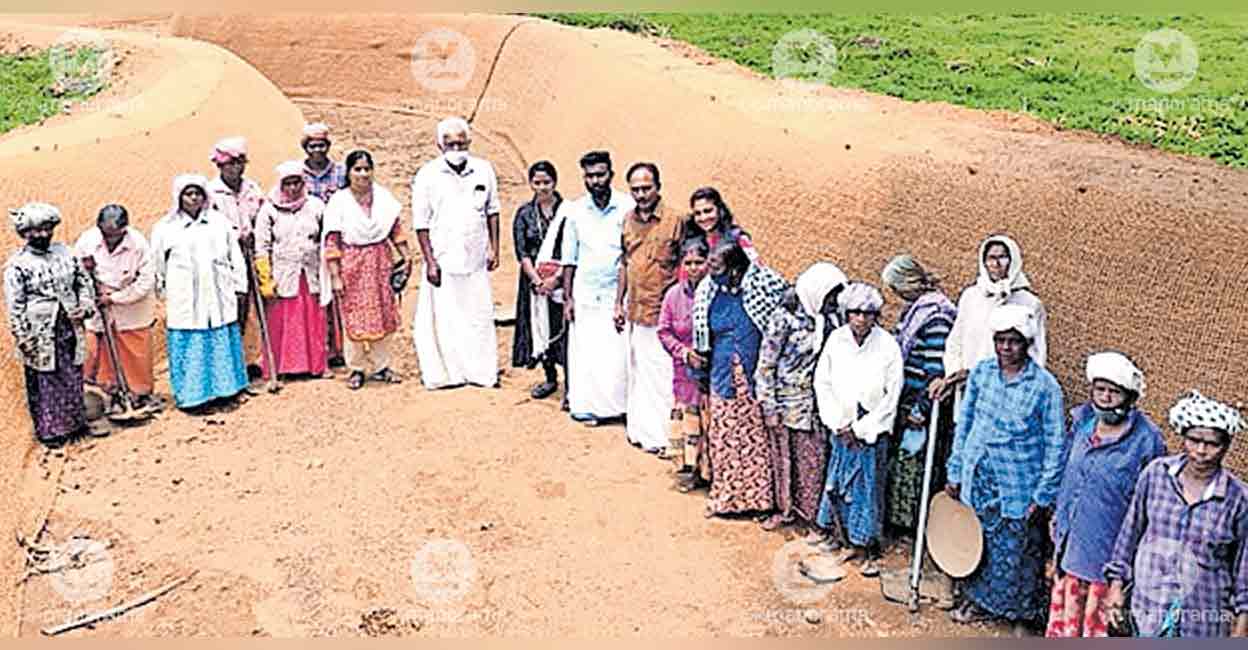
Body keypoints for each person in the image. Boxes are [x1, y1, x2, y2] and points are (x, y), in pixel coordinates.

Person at [945, 303, 1065, 634]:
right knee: (976, 541)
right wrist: (956, 470)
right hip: (978, 477)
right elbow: (965, 422)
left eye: (1013, 342)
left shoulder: (1045, 387)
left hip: (1017, 484)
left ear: (1026, 344)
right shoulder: (982, 373)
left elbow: (1056, 444)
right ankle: (978, 602)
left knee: (1018, 551)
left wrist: (1043, 495)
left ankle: (1020, 615)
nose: (1006, 349)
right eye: (1000, 341)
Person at [1105, 390, 1248, 638]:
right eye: (1194, 440)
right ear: (1183, 437)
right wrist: (1116, 586)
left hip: (1203, 618)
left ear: (1226, 446)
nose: (1201, 451)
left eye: (1212, 443)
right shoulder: (1156, 475)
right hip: (1148, 609)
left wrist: (1240, 629)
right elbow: (1130, 534)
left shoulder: (1238, 499)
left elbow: (1244, 571)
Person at [1046, 351, 1165, 638]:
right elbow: (1065, 471)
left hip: (1109, 550)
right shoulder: (1083, 422)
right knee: (1067, 616)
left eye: (1115, 392)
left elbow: (1151, 501)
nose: (1106, 398)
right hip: (1071, 541)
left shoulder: (1146, 440)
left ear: (1130, 398)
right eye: (1100, 389)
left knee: (1097, 624)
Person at [690, 239, 788, 518]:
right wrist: (700, 373)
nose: (712, 272)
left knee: (755, 440)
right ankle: (727, 500)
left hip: (753, 378)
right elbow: (702, 340)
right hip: (722, 376)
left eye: (717, 267)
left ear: (734, 270)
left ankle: (758, 502)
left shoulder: (759, 292)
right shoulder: (710, 293)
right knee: (725, 438)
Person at [812, 282, 903, 577]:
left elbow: (892, 395)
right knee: (838, 485)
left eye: (867, 313)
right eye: (855, 313)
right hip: (840, 427)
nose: (861, 319)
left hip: (870, 431)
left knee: (868, 489)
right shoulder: (836, 340)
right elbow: (822, 382)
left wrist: (863, 428)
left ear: (876, 315)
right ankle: (843, 540)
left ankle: (868, 549)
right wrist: (838, 422)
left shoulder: (888, 345)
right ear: (847, 313)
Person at [755, 262, 848, 532]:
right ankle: (786, 512)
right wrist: (768, 405)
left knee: (814, 462)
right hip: (787, 403)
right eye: (829, 298)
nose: (833, 303)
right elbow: (766, 364)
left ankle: (813, 518)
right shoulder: (784, 318)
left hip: (818, 404)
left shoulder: (831, 319)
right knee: (785, 462)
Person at [412, 116, 501, 390]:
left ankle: (480, 372)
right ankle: (448, 374)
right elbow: (421, 223)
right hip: (443, 259)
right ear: (439, 145)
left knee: (478, 317)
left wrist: (494, 248)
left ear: (469, 143)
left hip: (475, 258)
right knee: (446, 319)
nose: (456, 148)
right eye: (450, 143)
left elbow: (492, 210)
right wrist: (430, 261)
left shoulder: (483, 170)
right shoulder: (427, 175)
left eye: (461, 143)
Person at [150, 175, 250, 411]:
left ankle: (226, 392)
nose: (193, 198)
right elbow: (158, 265)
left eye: (198, 193)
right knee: (192, 345)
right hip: (185, 298)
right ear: (179, 198)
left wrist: (239, 286)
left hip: (218, 293)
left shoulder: (219, 222)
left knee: (221, 341)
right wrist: (163, 292)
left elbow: (234, 256)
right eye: (188, 194)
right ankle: (193, 398)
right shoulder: (165, 228)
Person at [4, 202, 96, 447]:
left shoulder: (66, 253)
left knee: (73, 375)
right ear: (24, 233)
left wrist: (85, 306)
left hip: (69, 325)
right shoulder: (17, 265)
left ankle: (76, 424)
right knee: (45, 380)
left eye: (46, 228)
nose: (42, 234)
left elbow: (83, 282)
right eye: (35, 230)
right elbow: (15, 306)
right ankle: (52, 432)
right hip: (40, 332)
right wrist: (24, 339)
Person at [879, 255, 958, 535]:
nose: (896, 294)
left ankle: (909, 528)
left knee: (912, 467)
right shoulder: (916, 310)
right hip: (906, 397)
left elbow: (936, 369)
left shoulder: (936, 316)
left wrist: (921, 408)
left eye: (897, 287)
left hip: (920, 403)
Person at [322, 150, 411, 390]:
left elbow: (396, 230)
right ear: (348, 173)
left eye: (367, 169)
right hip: (353, 264)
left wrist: (406, 257)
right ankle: (357, 368)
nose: (363, 174)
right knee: (354, 316)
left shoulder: (383, 198)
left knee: (384, 314)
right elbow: (332, 241)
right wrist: (335, 275)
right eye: (357, 169)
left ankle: (382, 366)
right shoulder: (339, 202)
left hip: (380, 262)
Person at [560, 150, 635, 425]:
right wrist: (568, 299)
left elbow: (628, 256)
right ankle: (588, 407)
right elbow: (569, 258)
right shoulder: (575, 211)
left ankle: (619, 408)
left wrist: (620, 299)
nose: (595, 181)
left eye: (600, 174)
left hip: (618, 293)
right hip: (585, 292)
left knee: (617, 353)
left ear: (611, 175)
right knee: (587, 353)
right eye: (589, 176)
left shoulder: (627, 207)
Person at [930, 234, 1047, 404]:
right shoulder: (971, 296)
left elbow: (1037, 353)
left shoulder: (1029, 303)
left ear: (1013, 260)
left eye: (1003, 257)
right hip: (967, 386)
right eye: (991, 258)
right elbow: (956, 340)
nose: (997, 264)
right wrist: (954, 372)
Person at [618, 162, 685, 454]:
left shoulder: (676, 220)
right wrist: (617, 303)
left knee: (662, 376)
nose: (641, 194)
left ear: (658, 186)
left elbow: (687, 266)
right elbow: (624, 263)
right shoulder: (627, 220)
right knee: (639, 373)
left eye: (646, 188)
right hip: (636, 311)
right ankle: (641, 432)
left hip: (664, 316)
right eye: (635, 189)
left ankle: (664, 438)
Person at [74, 204, 157, 408]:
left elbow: (145, 281)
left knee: (134, 349)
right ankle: (108, 393)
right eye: (106, 234)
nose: (110, 239)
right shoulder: (88, 241)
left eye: (115, 234)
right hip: (97, 303)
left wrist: (115, 298)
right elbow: (76, 272)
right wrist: (94, 293)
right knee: (98, 347)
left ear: (124, 229)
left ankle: (138, 393)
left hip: (131, 305)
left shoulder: (138, 244)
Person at [254, 160, 329, 379]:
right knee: (284, 322)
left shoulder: (315, 205)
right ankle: (284, 367)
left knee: (313, 321)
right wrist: (266, 279)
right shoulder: (269, 210)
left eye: (297, 183)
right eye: (288, 184)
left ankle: (315, 366)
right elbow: (262, 247)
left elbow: (326, 236)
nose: (293, 188)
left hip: (311, 272)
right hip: (283, 273)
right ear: (280, 185)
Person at [207, 136, 266, 379]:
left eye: (240, 162)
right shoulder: (211, 193)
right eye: (229, 163)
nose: (235, 168)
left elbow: (261, 218)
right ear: (220, 165)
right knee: (232, 306)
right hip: (225, 258)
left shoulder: (253, 189)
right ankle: (230, 359)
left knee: (254, 307)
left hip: (251, 253)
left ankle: (252, 358)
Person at [657, 239, 712, 492]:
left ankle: (710, 472)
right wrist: (683, 352)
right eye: (688, 263)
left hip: (712, 371)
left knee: (710, 421)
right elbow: (664, 331)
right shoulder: (673, 296)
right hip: (684, 372)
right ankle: (690, 469)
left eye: (699, 262)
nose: (693, 268)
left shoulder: (716, 294)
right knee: (689, 422)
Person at [511, 160, 567, 402]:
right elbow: (522, 251)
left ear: (555, 182)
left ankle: (572, 383)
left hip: (564, 279)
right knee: (539, 327)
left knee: (562, 328)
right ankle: (550, 377)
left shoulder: (568, 211)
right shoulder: (524, 214)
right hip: (534, 282)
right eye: (537, 182)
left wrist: (556, 278)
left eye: (547, 182)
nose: (542, 187)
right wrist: (536, 279)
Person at [300, 122, 348, 367]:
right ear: (305, 148)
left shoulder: (340, 173)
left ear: (327, 146)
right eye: (312, 145)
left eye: (321, 145)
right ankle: (322, 348)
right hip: (309, 243)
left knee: (339, 294)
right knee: (316, 296)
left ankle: (341, 349)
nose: (316, 150)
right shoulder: (298, 174)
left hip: (337, 240)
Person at [682, 186, 757, 261]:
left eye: (708, 211)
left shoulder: (738, 238)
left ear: (720, 210)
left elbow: (760, 269)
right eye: (697, 213)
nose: (703, 217)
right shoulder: (691, 243)